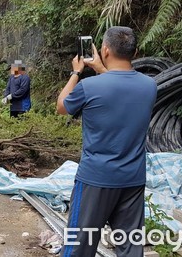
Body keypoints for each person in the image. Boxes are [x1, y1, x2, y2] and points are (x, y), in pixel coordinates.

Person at [56, 27, 157, 257]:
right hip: (132, 179)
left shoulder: (89, 87)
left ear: (105, 50)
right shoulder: (149, 86)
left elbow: (62, 106)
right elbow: (120, 86)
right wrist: (102, 69)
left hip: (95, 179)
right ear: (136, 51)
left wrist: (76, 73)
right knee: (131, 247)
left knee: (79, 246)